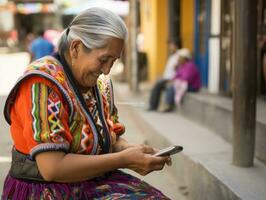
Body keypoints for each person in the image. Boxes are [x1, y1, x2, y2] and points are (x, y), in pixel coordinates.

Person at [1, 8, 172, 199]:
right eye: (103, 59)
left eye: (113, 61)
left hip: (91, 180)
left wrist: (135, 152)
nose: (107, 70)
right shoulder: (43, 83)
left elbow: (109, 141)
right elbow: (52, 168)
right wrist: (123, 160)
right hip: (45, 189)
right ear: (76, 48)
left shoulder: (100, 84)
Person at [147, 40, 180, 111]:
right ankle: (153, 106)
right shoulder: (172, 56)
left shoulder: (179, 57)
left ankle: (153, 106)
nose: (170, 48)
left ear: (176, 46)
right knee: (156, 85)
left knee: (157, 85)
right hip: (166, 78)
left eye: (171, 46)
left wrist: (172, 79)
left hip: (170, 79)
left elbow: (178, 70)